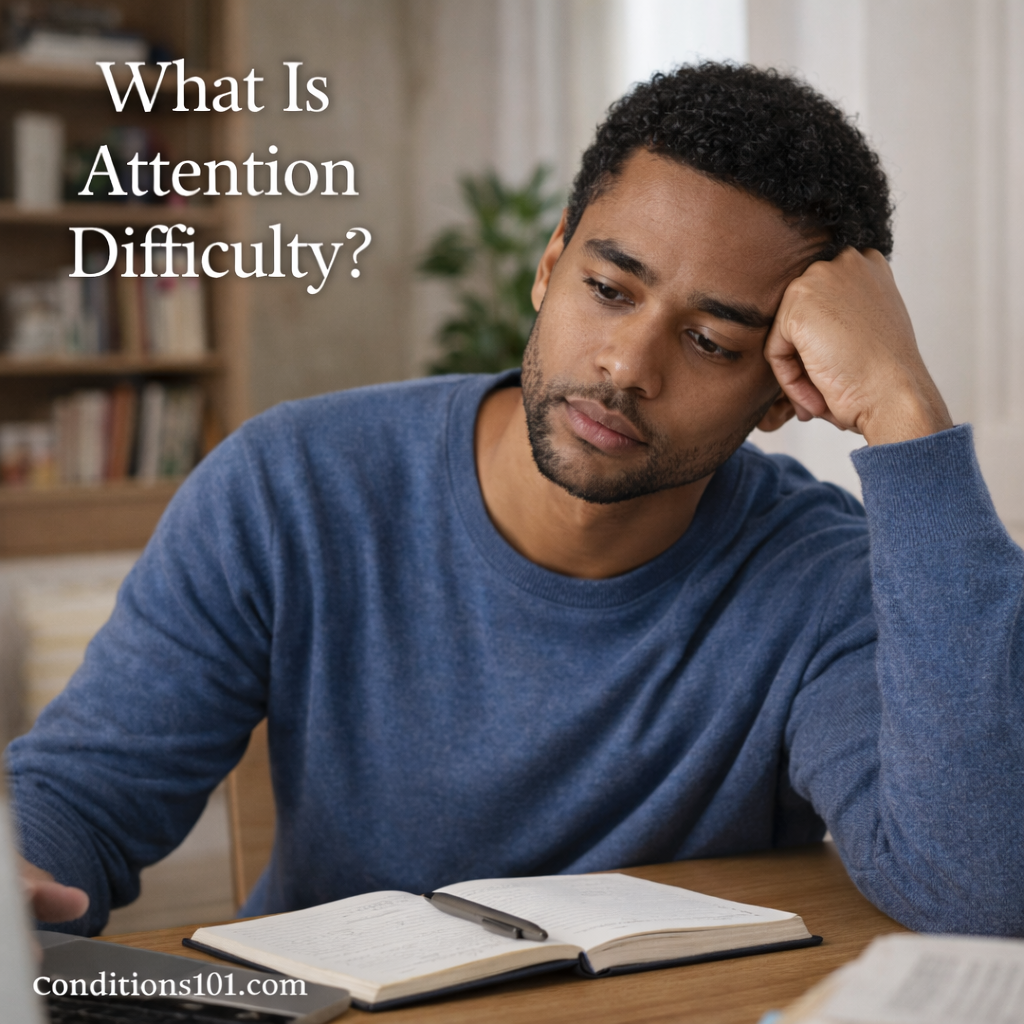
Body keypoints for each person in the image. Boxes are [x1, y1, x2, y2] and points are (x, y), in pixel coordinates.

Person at [9, 63, 1023, 938]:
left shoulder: (819, 575)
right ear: (548, 268)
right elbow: (81, 796)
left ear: (780, 393)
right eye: (610, 289)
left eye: (712, 343)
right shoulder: (289, 486)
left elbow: (977, 887)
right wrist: (22, 871)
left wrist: (904, 411)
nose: (626, 364)